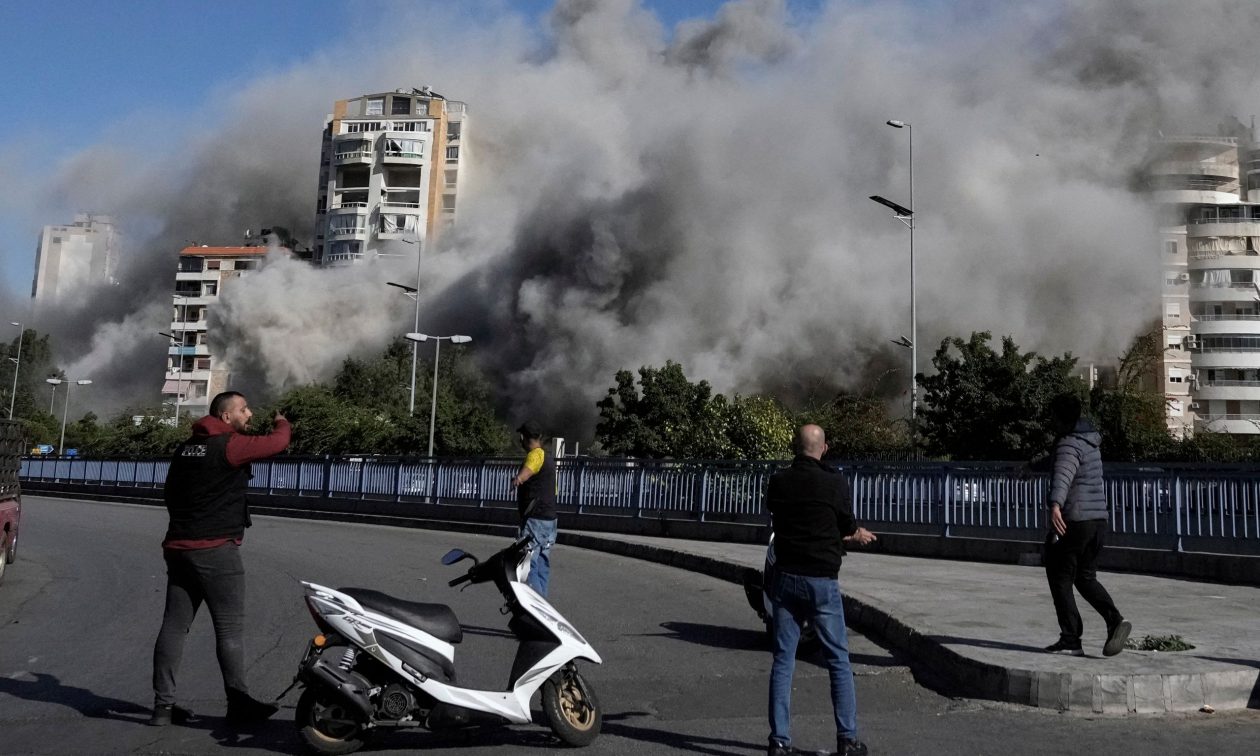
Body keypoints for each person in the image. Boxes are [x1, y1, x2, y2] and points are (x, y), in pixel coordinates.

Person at [149, 391, 291, 727]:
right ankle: (238, 703)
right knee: (229, 629)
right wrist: (282, 422)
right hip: (215, 550)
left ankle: (162, 708)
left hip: (178, 547)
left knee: (174, 626)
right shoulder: (230, 445)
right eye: (244, 409)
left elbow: (169, 493)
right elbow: (278, 442)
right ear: (226, 416)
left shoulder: (185, 448)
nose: (250, 414)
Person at [764, 424, 876, 756]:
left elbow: (782, 517)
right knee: (838, 659)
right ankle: (847, 739)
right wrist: (856, 534)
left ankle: (779, 742)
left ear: (794, 447)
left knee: (783, 660)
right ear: (824, 449)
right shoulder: (834, 482)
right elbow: (845, 525)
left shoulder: (779, 481)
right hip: (822, 581)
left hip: (786, 577)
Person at [1042, 393, 1131, 657]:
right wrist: (1030, 466)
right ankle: (1115, 620)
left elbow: (1063, 473)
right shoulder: (1089, 442)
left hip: (1075, 521)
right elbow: (1058, 461)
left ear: (1060, 418)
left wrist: (1055, 505)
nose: (1051, 421)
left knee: (1059, 575)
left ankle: (1071, 639)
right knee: (1085, 576)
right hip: (1098, 521)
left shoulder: (1067, 443)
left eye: (1052, 416)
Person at [510, 421, 557, 597]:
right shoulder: (549, 458)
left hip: (535, 519)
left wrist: (518, 479)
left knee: (528, 563)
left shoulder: (535, 455)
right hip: (550, 519)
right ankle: (544, 604)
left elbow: (528, 470)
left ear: (523, 437)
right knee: (543, 562)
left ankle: (535, 604)